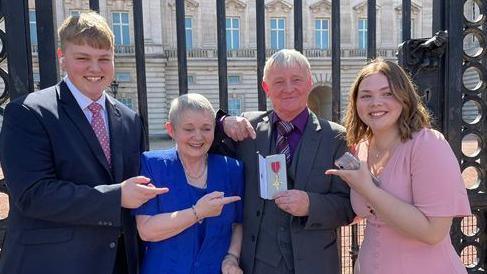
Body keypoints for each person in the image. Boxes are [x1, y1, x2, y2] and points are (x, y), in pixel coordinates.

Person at [0, 12, 167, 274]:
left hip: (118, 264)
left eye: (104, 59)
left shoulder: (130, 119)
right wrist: (117, 196)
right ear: (62, 58)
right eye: (82, 58)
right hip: (53, 263)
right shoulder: (28, 113)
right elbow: (33, 194)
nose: (95, 68)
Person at [213, 49, 355, 274]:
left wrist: (311, 204)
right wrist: (222, 121)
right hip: (256, 263)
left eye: (296, 80)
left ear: (309, 83)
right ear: (266, 88)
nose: (288, 88)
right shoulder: (246, 129)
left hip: (314, 263)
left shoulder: (336, 137)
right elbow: (200, 143)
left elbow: (349, 206)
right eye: (279, 81)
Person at [326, 59, 471, 274]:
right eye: (366, 96)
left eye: (387, 93)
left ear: (404, 98)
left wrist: (368, 189)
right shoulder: (362, 149)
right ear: (356, 104)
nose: (376, 102)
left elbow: (433, 232)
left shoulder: (428, 145)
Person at [133, 93, 244, 274]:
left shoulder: (232, 169)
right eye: (189, 129)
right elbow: (146, 230)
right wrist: (197, 212)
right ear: (171, 130)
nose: (198, 136)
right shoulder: (153, 165)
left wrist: (231, 257)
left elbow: (239, 223)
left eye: (206, 129)